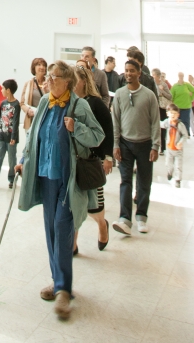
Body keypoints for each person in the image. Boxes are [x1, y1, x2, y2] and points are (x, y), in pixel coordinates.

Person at [15, 60, 104, 319]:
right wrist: (22, 160)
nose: (48, 80)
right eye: (49, 77)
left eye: (53, 77)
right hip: (45, 176)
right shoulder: (44, 103)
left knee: (64, 228)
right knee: (51, 230)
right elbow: (33, 138)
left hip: (68, 179)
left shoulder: (79, 105)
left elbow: (97, 136)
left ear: (67, 82)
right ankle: (57, 281)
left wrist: (76, 128)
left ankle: (64, 290)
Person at [112, 59, 161, 235]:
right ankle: (124, 219)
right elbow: (115, 121)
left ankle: (141, 216)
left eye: (132, 70)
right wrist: (115, 144)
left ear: (139, 73)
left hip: (145, 144)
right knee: (125, 181)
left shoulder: (149, 95)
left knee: (144, 182)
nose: (129, 73)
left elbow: (155, 122)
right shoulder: (119, 94)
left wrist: (155, 146)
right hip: (125, 144)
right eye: (126, 70)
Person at [72, 65, 113, 254]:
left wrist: (108, 157)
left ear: (85, 81)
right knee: (75, 204)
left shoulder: (95, 103)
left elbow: (107, 130)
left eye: (76, 79)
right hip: (73, 159)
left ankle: (102, 225)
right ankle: (73, 243)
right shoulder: (70, 102)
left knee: (95, 206)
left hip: (91, 160)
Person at [160, 103, 188, 188]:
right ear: (167, 114)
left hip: (178, 150)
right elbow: (160, 124)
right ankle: (169, 172)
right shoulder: (167, 122)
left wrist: (181, 142)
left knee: (178, 165)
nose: (173, 115)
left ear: (178, 115)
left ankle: (178, 180)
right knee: (168, 163)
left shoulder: (180, 125)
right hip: (169, 149)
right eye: (171, 113)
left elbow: (185, 135)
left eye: (175, 113)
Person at [21, 57, 48, 131]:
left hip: (45, 118)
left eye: (44, 65)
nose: (42, 67)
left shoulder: (50, 83)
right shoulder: (28, 84)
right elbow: (22, 103)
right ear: (34, 68)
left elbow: (53, 100)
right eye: (39, 65)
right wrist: (28, 110)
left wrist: (46, 91)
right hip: (32, 119)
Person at [152, 68, 173, 154]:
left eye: (153, 75)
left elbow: (169, 96)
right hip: (154, 107)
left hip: (162, 108)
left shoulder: (163, 84)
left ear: (158, 76)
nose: (152, 77)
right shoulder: (151, 84)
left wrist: (162, 91)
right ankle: (155, 145)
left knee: (162, 127)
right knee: (155, 126)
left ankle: (163, 147)